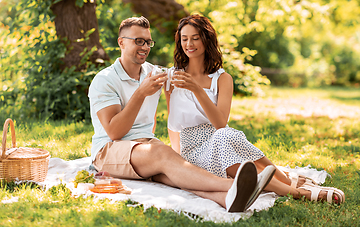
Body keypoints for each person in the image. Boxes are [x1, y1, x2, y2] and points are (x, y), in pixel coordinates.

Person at [88, 16, 275, 213]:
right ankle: (233, 185)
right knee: (163, 154)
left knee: (179, 173)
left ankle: (227, 199)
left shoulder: (153, 73)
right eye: (138, 41)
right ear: (121, 42)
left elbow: (178, 97)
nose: (144, 47)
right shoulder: (105, 80)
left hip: (143, 145)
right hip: (109, 150)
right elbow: (114, 133)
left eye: (148, 42)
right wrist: (141, 93)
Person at [165, 14, 345, 206]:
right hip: (193, 151)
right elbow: (172, 120)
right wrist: (177, 156)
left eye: (195, 38)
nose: (189, 44)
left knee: (224, 135)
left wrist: (197, 89)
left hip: (220, 138)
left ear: (206, 39)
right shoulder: (172, 77)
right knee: (225, 138)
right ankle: (293, 190)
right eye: (184, 39)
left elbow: (220, 123)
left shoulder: (222, 79)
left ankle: (283, 178)